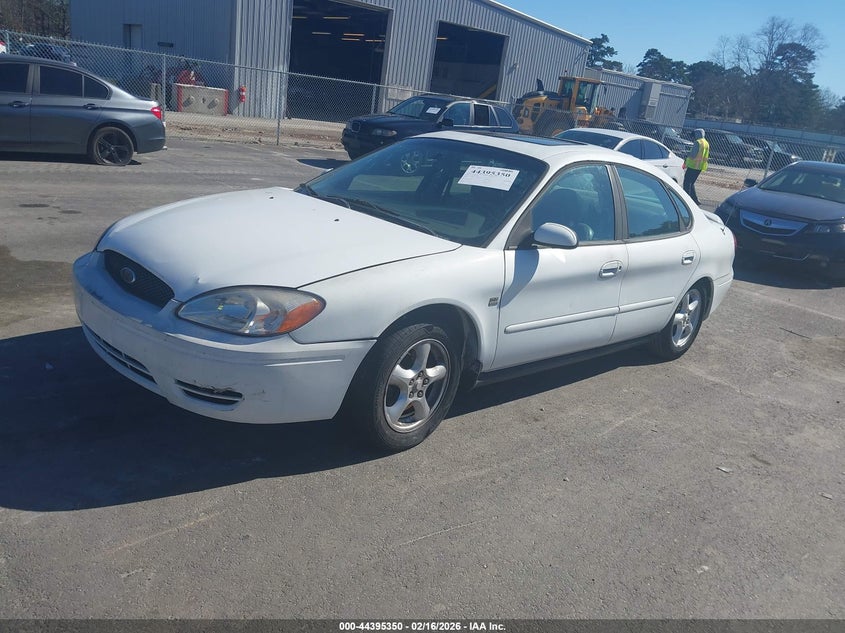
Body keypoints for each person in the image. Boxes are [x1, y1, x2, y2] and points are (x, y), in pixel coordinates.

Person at [683, 128, 710, 204]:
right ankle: (695, 200)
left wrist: (687, 155)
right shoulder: (706, 143)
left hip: (693, 165)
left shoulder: (698, 142)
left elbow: (692, 155)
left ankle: (686, 199)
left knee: (687, 183)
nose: (693, 136)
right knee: (691, 183)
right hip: (700, 166)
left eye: (694, 135)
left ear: (697, 134)